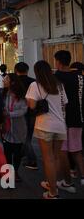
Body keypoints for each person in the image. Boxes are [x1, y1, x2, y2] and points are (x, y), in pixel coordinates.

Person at [26, 60, 68, 199]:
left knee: (48, 159)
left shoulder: (35, 85)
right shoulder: (59, 85)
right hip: (61, 126)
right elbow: (65, 104)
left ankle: (53, 193)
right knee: (55, 158)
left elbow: (31, 106)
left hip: (45, 126)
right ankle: (52, 184)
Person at [54, 51, 84, 189]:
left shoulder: (57, 77)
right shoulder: (79, 76)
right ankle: (83, 178)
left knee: (63, 151)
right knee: (77, 150)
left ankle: (64, 181)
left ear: (58, 62)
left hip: (63, 118)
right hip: (78, 117)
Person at [1, 73, 28, 182]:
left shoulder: (20, 95)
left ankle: (15, 172)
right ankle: (8, 174)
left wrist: (9, 114)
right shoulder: (3, 94)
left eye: (6, 79)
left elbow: (23, 110)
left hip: (18, 129)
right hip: (6, 130)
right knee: (7, 153)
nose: (3, 80)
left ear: (12, 82)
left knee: (17, 154)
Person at [15, 62, 38, 170]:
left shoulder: (15, 81)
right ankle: (24, 155)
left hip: (20, 113)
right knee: (28, 135)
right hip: (32, 113)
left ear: (16, 70)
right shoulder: (33, 82)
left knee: (24, 137)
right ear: (27, 70)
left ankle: (32, 159)